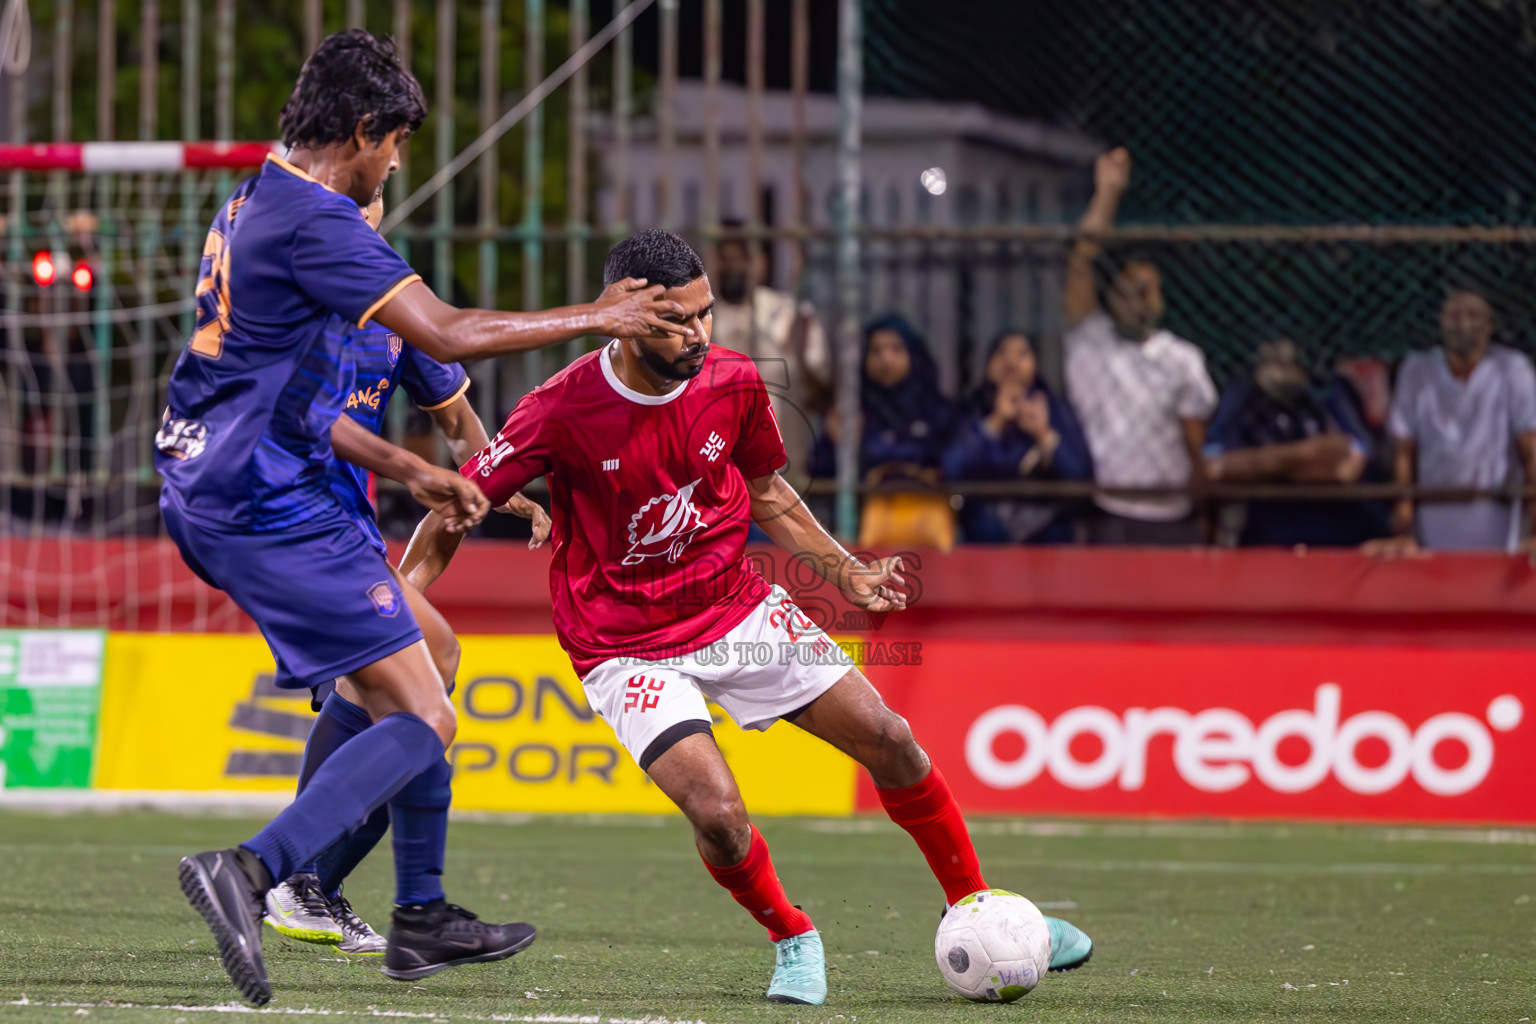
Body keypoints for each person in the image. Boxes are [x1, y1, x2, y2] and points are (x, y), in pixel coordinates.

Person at [401, 230, 1093, 1006]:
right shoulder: (558, 409)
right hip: (624, 647)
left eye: (706, 314)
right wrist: (399, 613)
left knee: (893, 739)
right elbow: (452, 514)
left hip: (736, 606)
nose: (699, 335)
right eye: (677, 321)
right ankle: (793, 936)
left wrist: (851, 576)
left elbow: (768, 496)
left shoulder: (732, 380)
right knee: (720, 814)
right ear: (622, 313)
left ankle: (979, 905)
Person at [160, 31, 689, 1006]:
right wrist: (599, 314)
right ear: (360, 130)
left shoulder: (254, 200)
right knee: (428, 713)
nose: (397, 161)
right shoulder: (320, 222)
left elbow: (319, 399)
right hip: (267, 504)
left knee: (431, 656)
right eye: (395, 140)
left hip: (234, 482)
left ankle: (418, 914)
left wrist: (424, 465)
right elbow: (445, 331)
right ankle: (262, 871)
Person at [259, 183, 553, 956]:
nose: (362, 207)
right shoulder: (289, 294)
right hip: (287, 528)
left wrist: (496, 486)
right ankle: (301, 881)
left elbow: (458, 422)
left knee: (417, 709)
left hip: (346, 537)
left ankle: (325, 886)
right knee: (419, 685)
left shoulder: (397, 308)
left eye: (374, 195)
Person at [1063, 148, 1218, 544]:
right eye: (1127, 291)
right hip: (1109, 511)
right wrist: (1107, 196)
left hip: (1171, 514)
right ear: (1111, 297)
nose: (1136, 301)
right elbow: (1080, 264)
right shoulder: (1091, 344)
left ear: (1161, 302)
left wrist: (1204, 513)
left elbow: (1196, 444)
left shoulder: (1181, 358)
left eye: (1146, 292)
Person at [1368, 287, 1536, 553]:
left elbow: (1531, 450)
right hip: (1436, 507)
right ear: (1440, 323)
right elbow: (1404, 450)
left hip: (1495, 511)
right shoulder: (1417, 370)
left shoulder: (1512, 370)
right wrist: (1403, 514)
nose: (1463, 323)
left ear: (1489, 326)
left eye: (1473, 315)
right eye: (1454, 315)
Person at [1202, 338, 1379, 547]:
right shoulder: (1243, 392)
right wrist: (1305, 453)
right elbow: (1213, 466)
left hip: (1333, 536)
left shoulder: (1331, 389)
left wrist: (1260, 467)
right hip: (1267, 538)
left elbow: (1346, 469)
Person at [942, 331, 1093, 543]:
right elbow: (951, 469)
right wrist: (995, 422)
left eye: (1022, 354)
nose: (1011, 362)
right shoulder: (971, 410)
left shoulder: (1054, 410)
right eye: (1002, 353)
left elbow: (1079, 477)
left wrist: (1044, 434)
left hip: (1047, 545)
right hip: (982, 542)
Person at [710, 220, 830, 485]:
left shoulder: (789, 313)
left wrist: (799, 355)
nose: (733, 266)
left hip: (783, 469)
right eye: (724, 258)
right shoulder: (699, 319)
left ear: (761, 262)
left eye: (741, 258)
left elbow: (821, 396)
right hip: (713, 468)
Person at [814, 314, 955, 480]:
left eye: (896, 349)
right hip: (867, 504)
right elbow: (818, 472)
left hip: (929, 504)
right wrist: (841, 446)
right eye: (876, 351)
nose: (886, 359)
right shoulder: (854, 412)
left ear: (914, 354)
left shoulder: (938, 412)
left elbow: (955, 467)